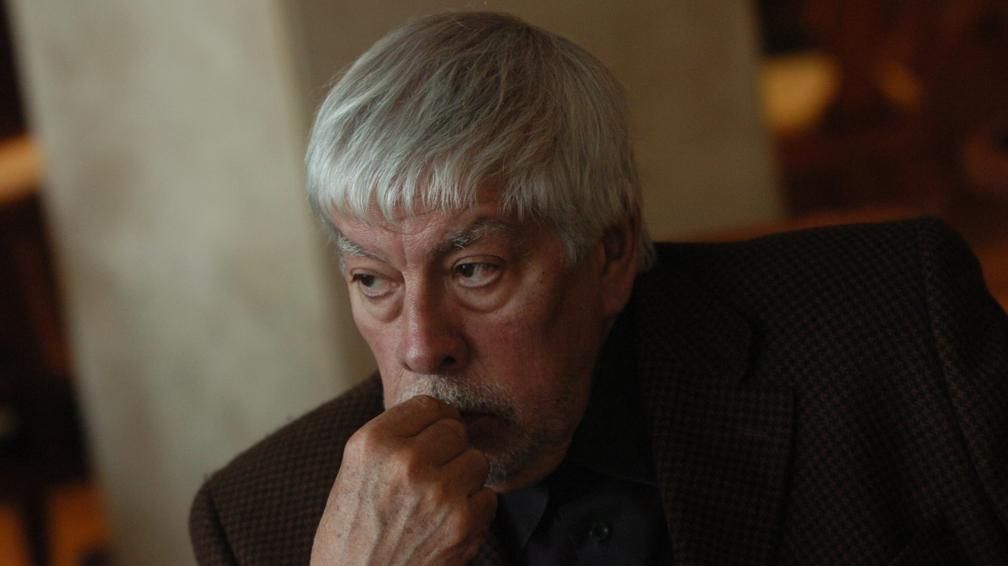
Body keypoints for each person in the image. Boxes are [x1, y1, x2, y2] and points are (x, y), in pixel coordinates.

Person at [189, 11, 1008, 565]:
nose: (421, 346)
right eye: (374, 281)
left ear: (610, 252)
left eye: (474, 271)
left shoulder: (897, 329)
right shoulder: (261, 521)